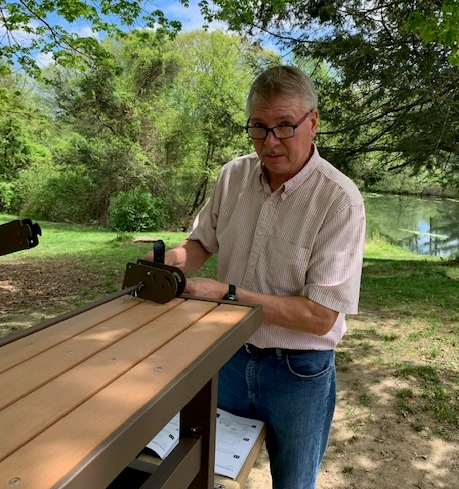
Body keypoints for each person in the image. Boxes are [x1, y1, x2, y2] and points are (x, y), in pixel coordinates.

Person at [145, 65, 366, 489]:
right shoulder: (232, 176)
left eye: (285, 126)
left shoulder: (340, 201)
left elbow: (321, 317)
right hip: (227, 355)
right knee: (204, 473)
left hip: (299, 373)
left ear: (313, 121)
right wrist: (172, 260)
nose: (270, 142)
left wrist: (227, 294)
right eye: (259, 127)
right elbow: (201, 244)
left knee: (294, 483)